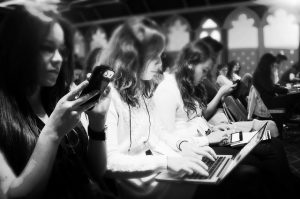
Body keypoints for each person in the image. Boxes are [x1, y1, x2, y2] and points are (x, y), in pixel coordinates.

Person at [153, 39, 300, 198]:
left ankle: (288, 188)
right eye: (204, 70)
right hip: (201, 146)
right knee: (267, 151)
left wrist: (214, 129)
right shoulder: (167, 89)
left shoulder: (186, 85)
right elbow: (167, 137)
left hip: (214, 136)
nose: (205, 76)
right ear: (190, 64)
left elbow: (194, 120)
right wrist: (208, 139)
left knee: (271, 140)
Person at [0, 4, 114, 199]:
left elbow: (96, 171)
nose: (58, 59)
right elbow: (11, 195)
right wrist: (52, 133)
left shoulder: (58, 99)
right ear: (17, 49)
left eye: (62, 50)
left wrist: (97, 124)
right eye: (46, 49)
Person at [100, 17, 215, 199]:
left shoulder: (142, 89)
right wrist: (167, 162)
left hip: (155, 172)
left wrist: (184, 146)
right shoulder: (109, 94)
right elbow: (109, 162)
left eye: (160, 56)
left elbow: (159, 134)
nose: (160, 64)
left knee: (216, 174)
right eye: (153, 56)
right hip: (136, 184)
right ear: (131, 55)